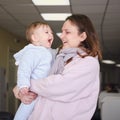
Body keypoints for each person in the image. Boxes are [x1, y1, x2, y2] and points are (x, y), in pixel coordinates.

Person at [13, 14, 102, 120]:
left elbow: (58, 86)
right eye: (62, 31)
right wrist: (22, 92)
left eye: (67, 32)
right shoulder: (57, 56)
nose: (61, 35)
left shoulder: (88, 63)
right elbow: (25, 81)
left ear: (82, 36)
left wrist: (27, 84)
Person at [13, 21, 54, 120]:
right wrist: (23, 86)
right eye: (46, 32)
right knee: (25, 110)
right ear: (35, 38)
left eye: (51, 33)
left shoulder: (49, 52)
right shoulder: (32, 52)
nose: (51, 35)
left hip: (42, 91)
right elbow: (24, 70)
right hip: (31, 90)